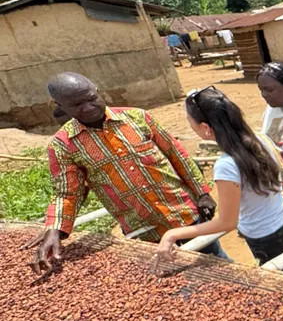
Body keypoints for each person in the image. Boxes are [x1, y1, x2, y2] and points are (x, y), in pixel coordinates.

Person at [33, 73, 222, 274]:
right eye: (77, 104)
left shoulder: (138, 118)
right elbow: (67, 193)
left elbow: (176, 155)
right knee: (173, 279)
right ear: (59, 105)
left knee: (217, 265)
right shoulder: (63, 146)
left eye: (91, 98)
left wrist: (202, 193)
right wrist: (54, 229)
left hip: (185, 213)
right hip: (144, 230)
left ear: (97, 90)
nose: (88, 107)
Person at [154, 87, 283, 274]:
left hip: (268, 238)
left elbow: (227, 222)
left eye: (190, 121)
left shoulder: (226, 166)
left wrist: (173, 233)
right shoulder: (259, 139)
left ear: (205, 128)